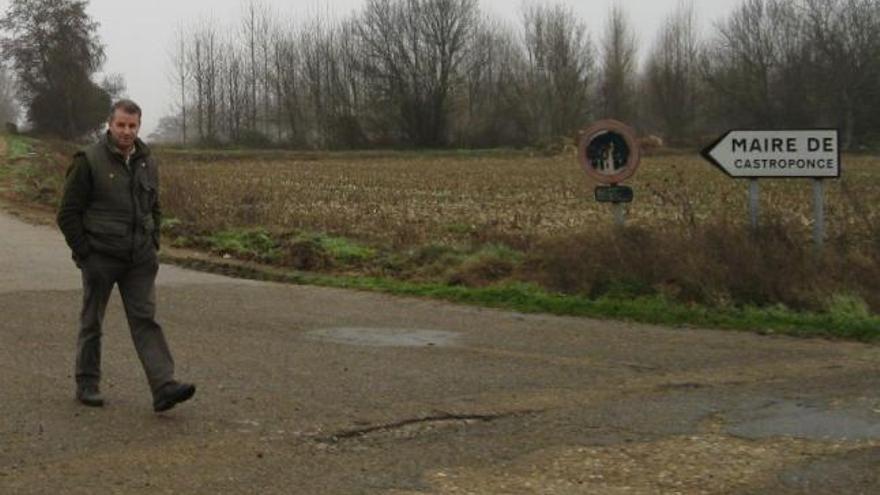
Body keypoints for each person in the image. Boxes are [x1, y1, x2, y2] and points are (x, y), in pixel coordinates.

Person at [57, 99, 195, 413]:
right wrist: (85, 253)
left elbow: (154, 205)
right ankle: (87, 384)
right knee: (92, 321)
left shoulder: (147, 160)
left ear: (138, 126)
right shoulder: (88, 160)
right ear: (110, 124)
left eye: (132, 126)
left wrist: (153, 239)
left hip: (139, 259)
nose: (126, 131)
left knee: (146, 320)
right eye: (121, 125)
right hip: (101, 257)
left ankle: (164, 386)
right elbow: (67, 214)